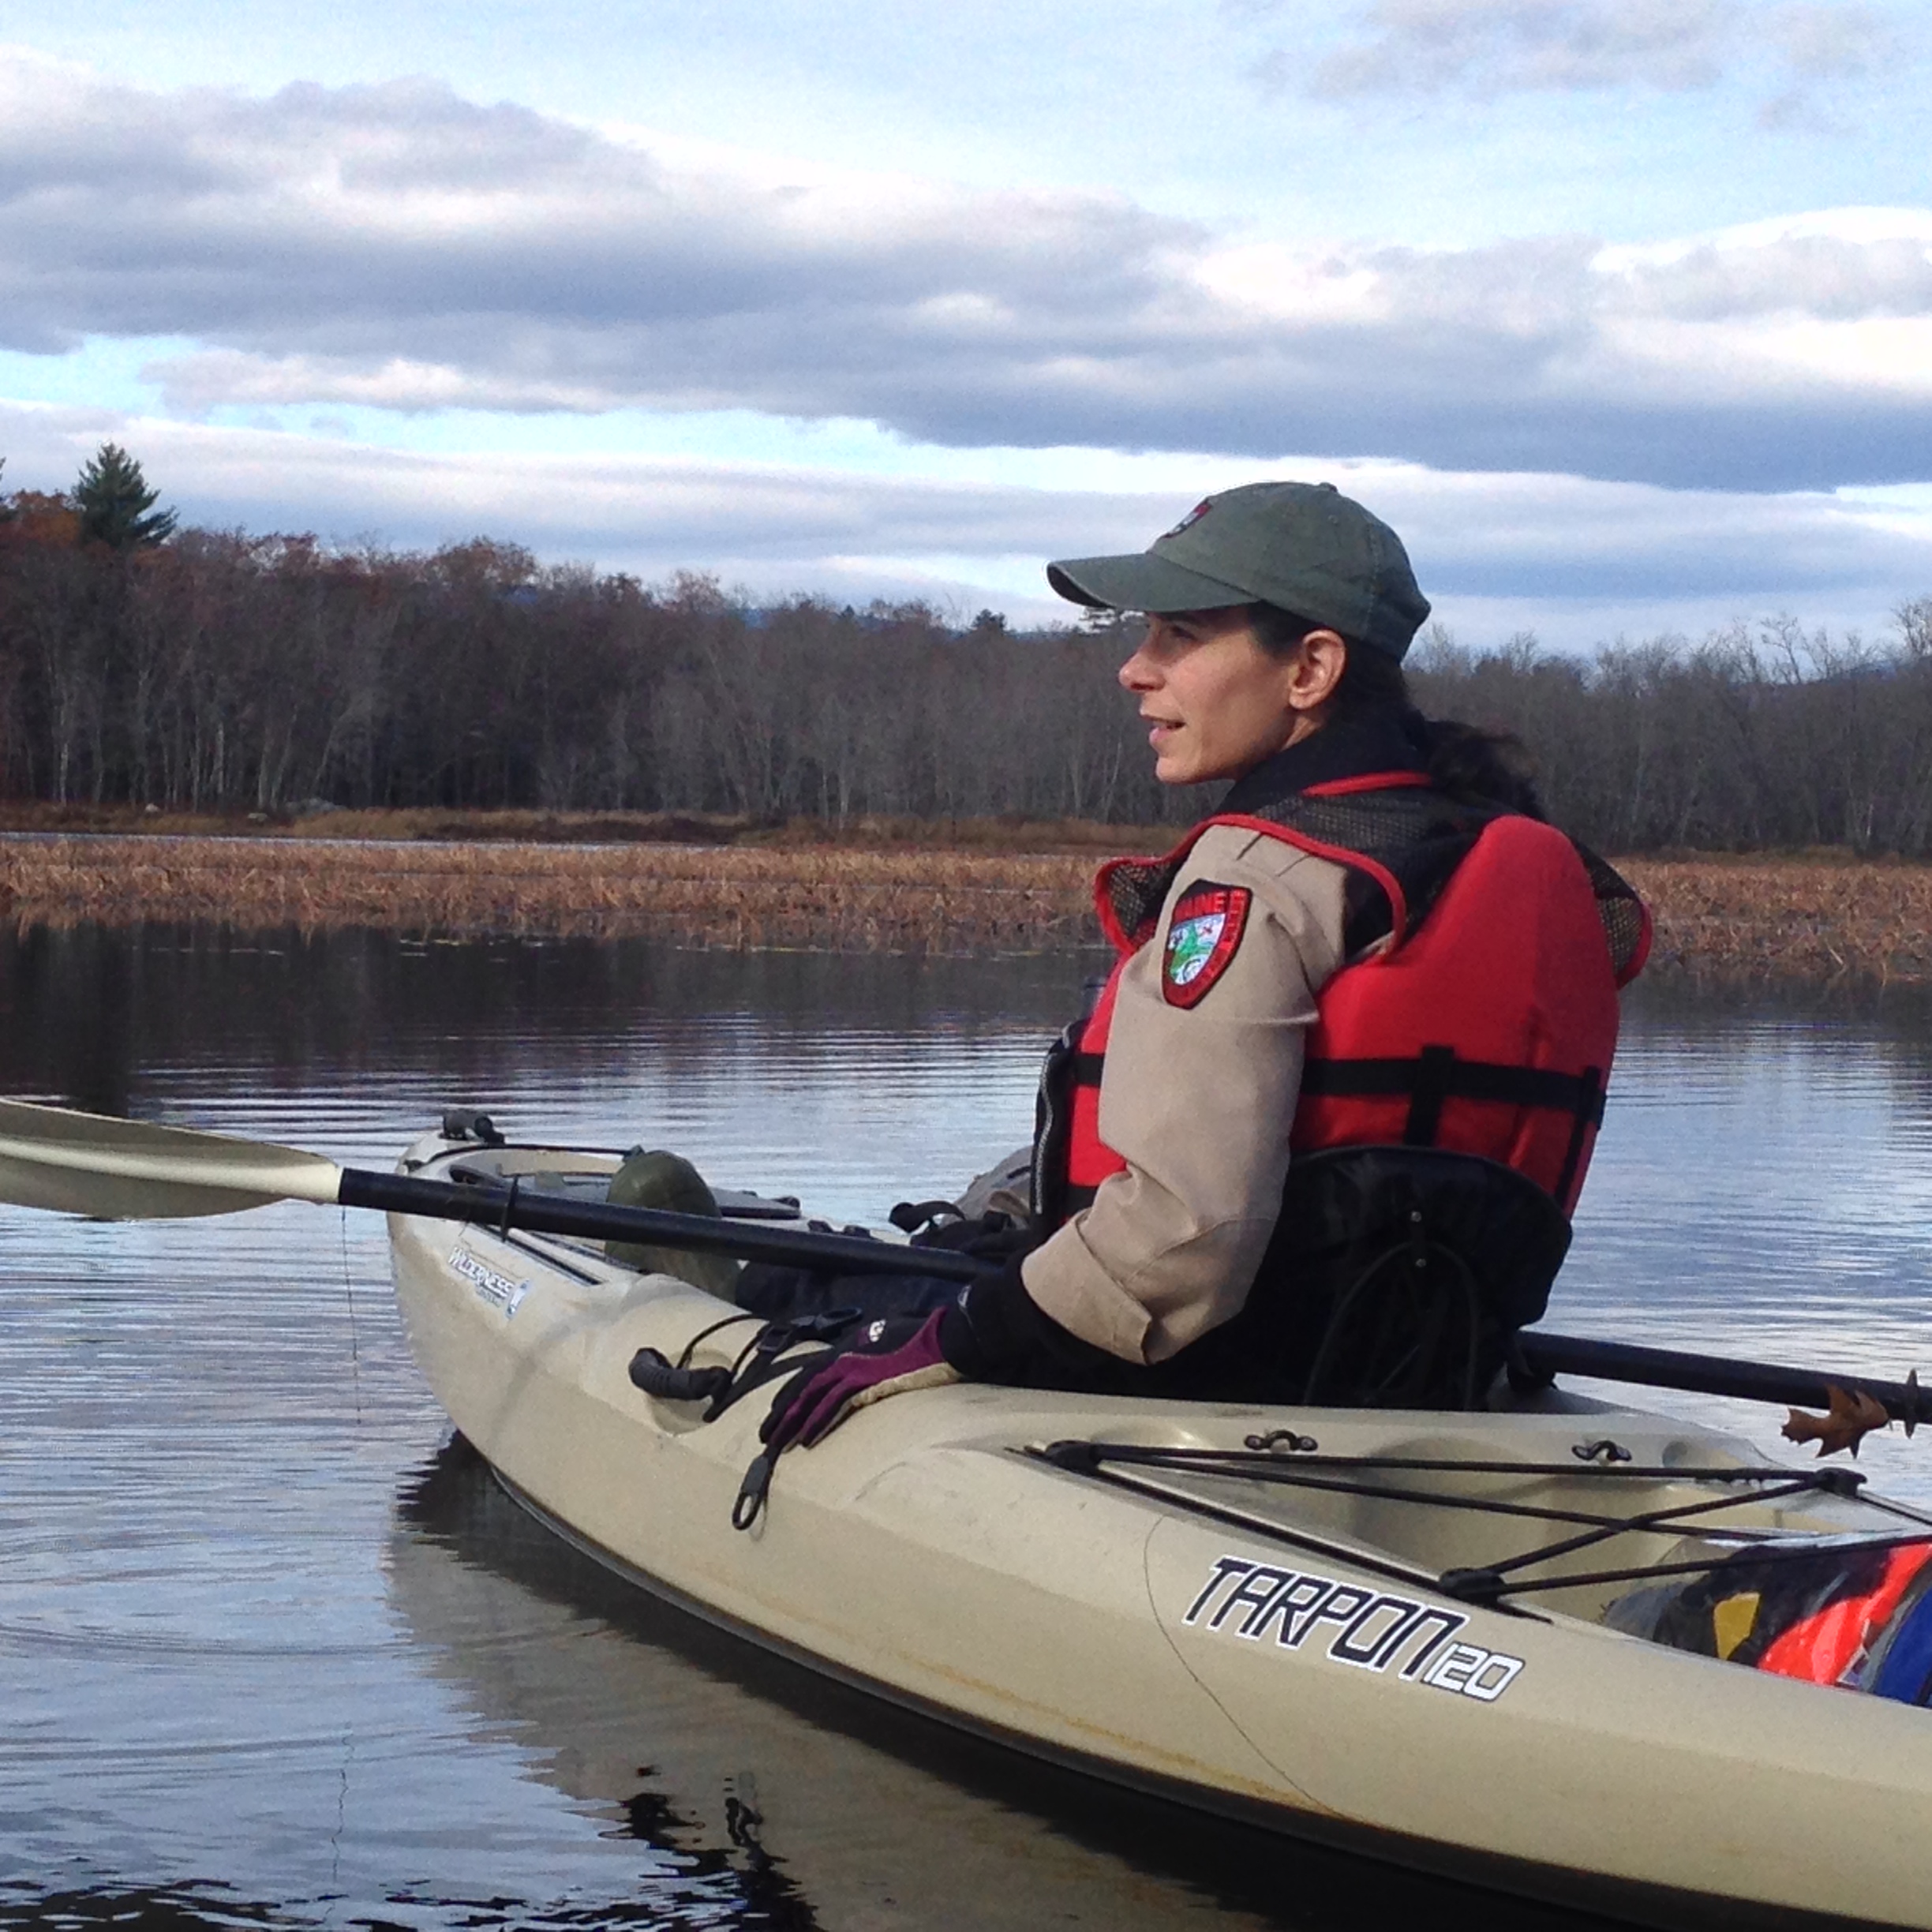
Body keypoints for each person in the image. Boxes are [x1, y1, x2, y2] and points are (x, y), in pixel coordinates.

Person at [755, 481, 1651, 1456]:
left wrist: (946, 1341)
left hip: (1198, 1365)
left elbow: (1185, 1239)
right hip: (1409, 1355)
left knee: (791, 1280)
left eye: (1180, 636)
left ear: (1310, 670)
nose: (1135, 672)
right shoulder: (1490, 848)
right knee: (983, 1218)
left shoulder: (1257, 875)